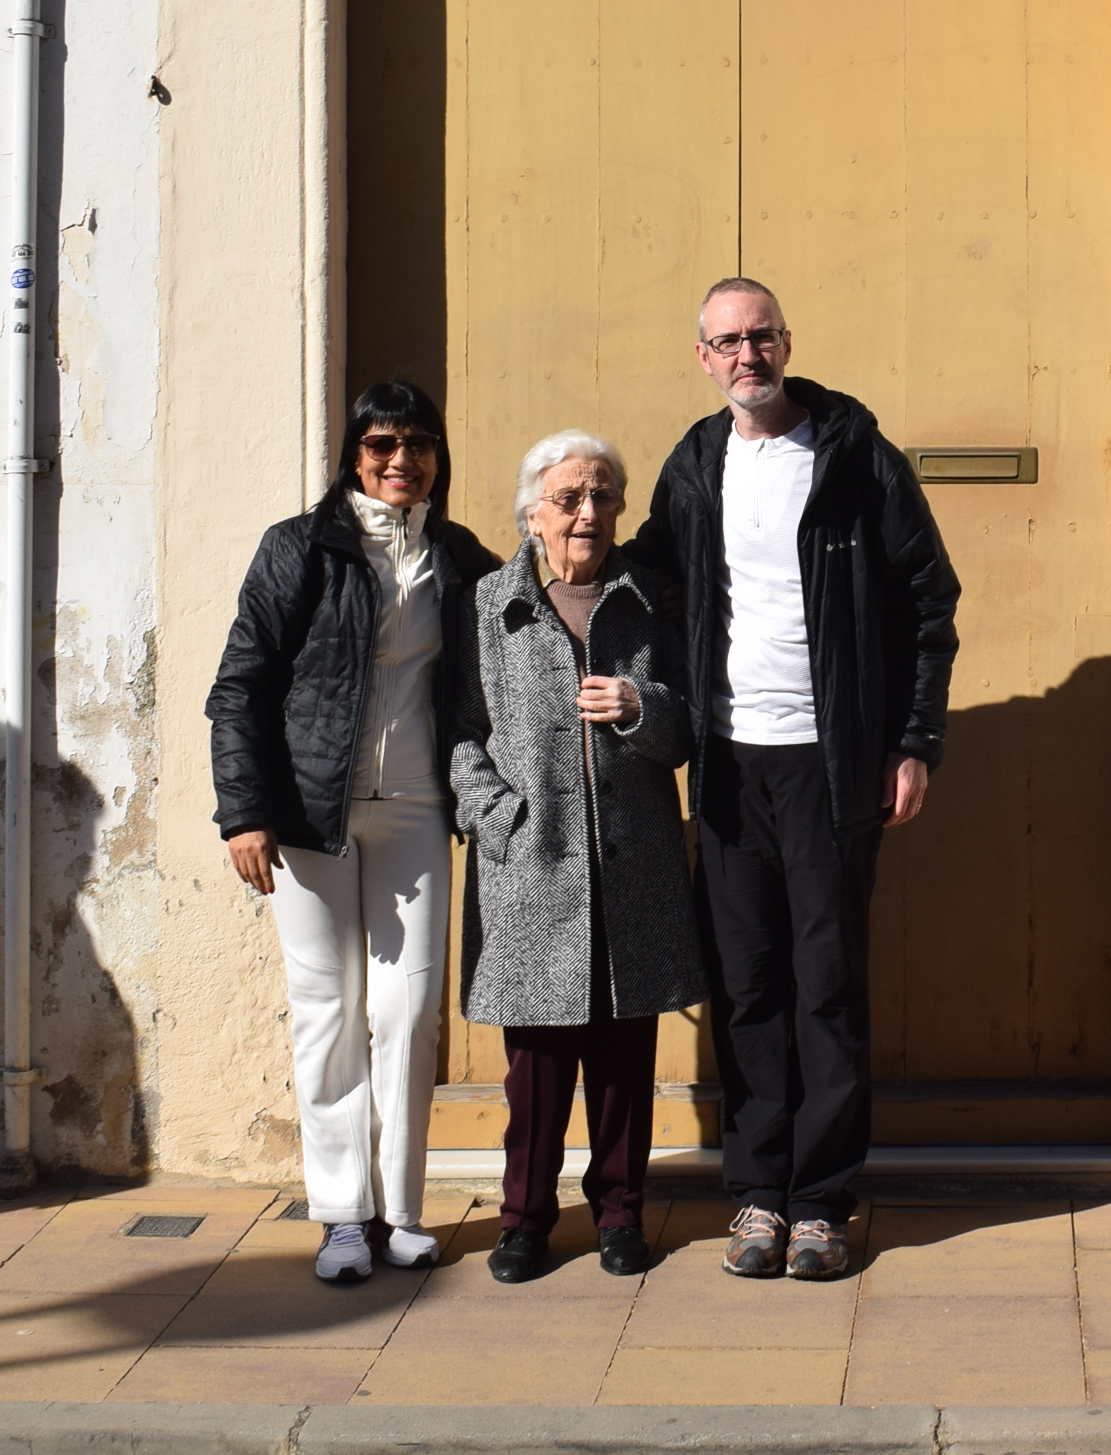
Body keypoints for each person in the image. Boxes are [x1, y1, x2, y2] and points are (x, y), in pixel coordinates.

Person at [628, 276, 961, 1281]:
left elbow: (928, 602)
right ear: (703, 357)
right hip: (729, 762)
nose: (748, 355)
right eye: (728, 341)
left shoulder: (855, 455)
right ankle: (758, 1194)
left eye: (761, 335)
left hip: (831, 763)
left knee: (827, 985)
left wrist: (913, 740)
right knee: (748, 985)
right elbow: (647, 573)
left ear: (786, 341)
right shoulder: (694, 464)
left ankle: (820, 1202)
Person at [205, 380, 500, 1284]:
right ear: (354, 456)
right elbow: (241, 685)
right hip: (308, 813)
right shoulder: (299, 547)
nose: (401, 460)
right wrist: (244, 812)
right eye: (381, 445)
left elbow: (526, 623)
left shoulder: (457, 557)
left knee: (408, 1013)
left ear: (438, 455)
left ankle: (402, 1212)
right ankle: (341, 1215)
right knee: (327, 1011)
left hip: (415, 807)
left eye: (418, 444)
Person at [451, 430, 704, 1283]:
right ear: (532, 515)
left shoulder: (648, 599)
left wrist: (641, 705)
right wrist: (498, 818)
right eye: (568, 498)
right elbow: (458, 731)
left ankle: (620, 1214)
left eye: (602, 496)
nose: (587, 512)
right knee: (538, 1068)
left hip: (633, 866)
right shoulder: (489, 605)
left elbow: (688, 727)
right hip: (533, 862)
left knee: (626, 1062)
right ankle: (524, 1219)